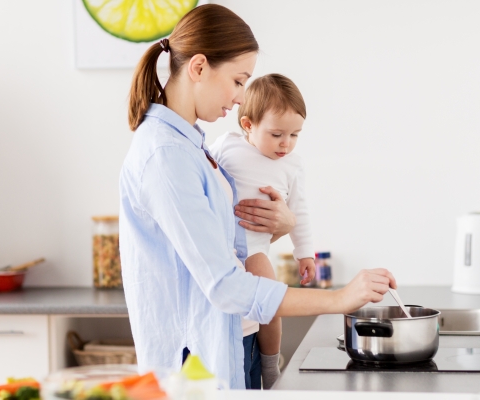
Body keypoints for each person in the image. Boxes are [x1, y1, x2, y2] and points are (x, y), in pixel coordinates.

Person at [119, 4, 397, 390]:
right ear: (198, 68)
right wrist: (338, 299)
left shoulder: (193, 146)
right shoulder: (166, 156)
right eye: (237, 81)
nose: (239, 98)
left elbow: (220, 244)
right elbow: (225, 285)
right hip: (195, 366)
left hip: (238, 337)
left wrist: (285, 227)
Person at [209, 73, 314, 389]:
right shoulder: (226, 147)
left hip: (254, 249)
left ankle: (270, 364)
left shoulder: (291, 166)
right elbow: (205, 176)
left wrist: (304, 253)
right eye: (277, 134)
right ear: (248, 125)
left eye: (295, 134)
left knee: (270, 301)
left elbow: (300, 212)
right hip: (223, 248)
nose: (286, 143)